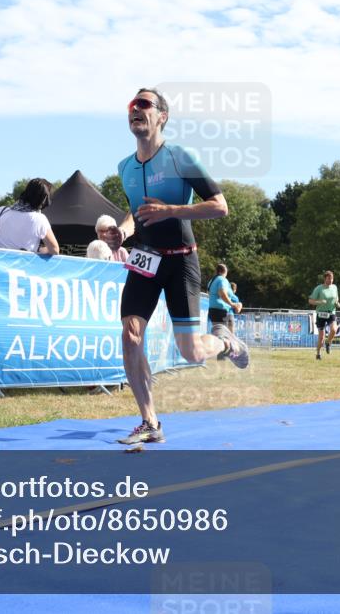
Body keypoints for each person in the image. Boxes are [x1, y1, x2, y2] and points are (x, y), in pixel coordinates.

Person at [105, 87, 249, 445]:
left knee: (192, 352)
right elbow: (135, 213)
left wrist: (171, 210)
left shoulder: (180, 157)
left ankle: (226, 342)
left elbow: (220, 206)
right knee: (130, 334)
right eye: (131, 106)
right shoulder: (124, 167)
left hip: (181, 260)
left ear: (162, 116)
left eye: (144, 105)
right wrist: (121, 233)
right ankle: (149, 421)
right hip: (145, 261)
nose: (135, 110)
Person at [0, 178, 60, 254]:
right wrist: (40, 250)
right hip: (21, 270)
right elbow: (54, 249)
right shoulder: (40, 219)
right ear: (43, 199)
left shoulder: (2, 212)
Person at [309, 270, 340, 360]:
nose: (330, 280)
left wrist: (337, 303)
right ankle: (318, 353)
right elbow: (310, 300)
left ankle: (328, 342)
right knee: (321, 337)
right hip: (321, 314)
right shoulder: (319, 288)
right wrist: (319, 302)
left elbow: (336, 298)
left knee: (334, 329)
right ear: (324, 279)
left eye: (332, 279)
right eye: (328, 279)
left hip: (331, 312)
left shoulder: (334, 287)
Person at [207, 263, 242, 334]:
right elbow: (222, 293)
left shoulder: (212, 281)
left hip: (213, 310)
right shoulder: (222, 279)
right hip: (221, 311)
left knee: (218, 334)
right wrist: (232, 304)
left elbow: (210, 294)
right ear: (225, 272)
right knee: (225, 336)